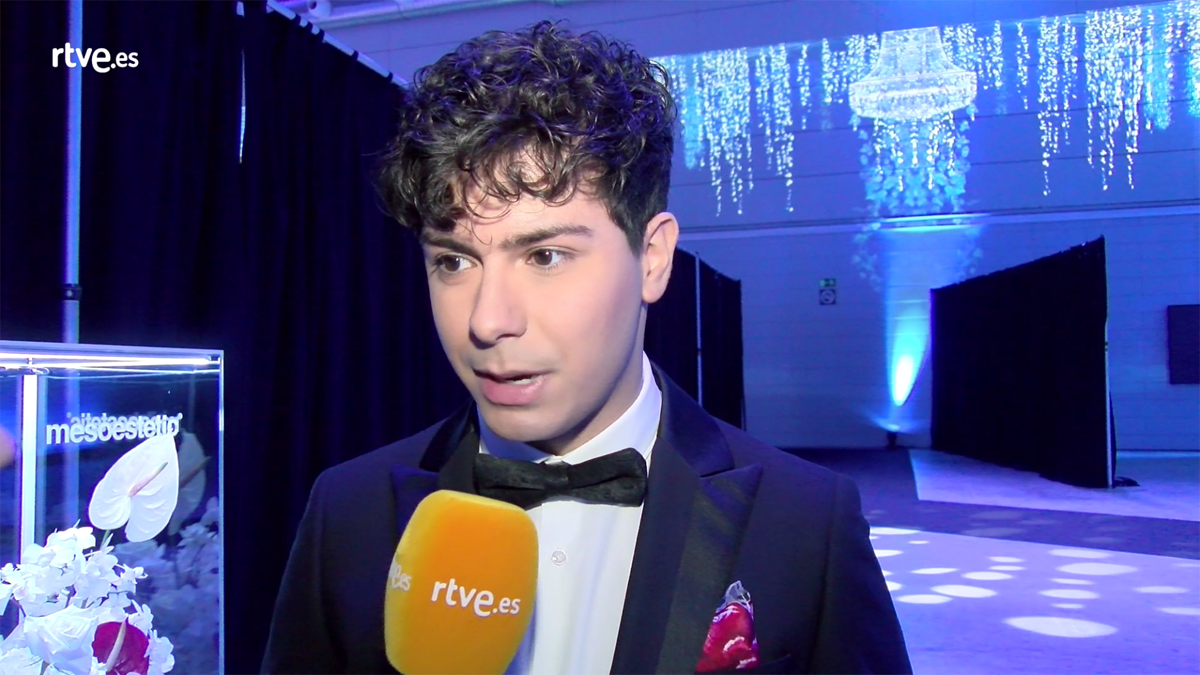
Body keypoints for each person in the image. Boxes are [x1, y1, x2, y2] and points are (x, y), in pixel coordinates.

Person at [260, 21, 911, 675]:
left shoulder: (806, 522)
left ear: (652, 258)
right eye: (454, 261)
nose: (487, 320)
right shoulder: (349, 513)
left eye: (545, 256)